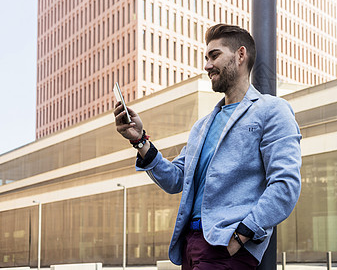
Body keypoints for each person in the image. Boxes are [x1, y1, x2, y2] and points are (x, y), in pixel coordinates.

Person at [114, 24, 302, 269]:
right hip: (190, 245)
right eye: (206, 57)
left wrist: (241, 235)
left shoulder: (272, 110)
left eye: (215, 55)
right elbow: (176, 180)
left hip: (227, 247)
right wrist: (139, 140)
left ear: (240, 55)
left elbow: (285, 185)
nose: (207, 65)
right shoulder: (202, 126)